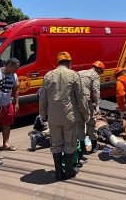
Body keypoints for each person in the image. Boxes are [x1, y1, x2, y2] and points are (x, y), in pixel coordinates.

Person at [39, 51, 90, 181]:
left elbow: (43, 98)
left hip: (53, 118)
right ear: (69, 62)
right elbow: (81, 98)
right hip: (69, 117)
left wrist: (42, 114)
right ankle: (68, 171)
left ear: (58, 63)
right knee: (70, 143)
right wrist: (86, 114)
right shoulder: (73, 75)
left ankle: (58, 173)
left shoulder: (48, 75)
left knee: (56, 144)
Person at [0, 58, 20, 151]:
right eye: (16, 67)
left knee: (7, 125)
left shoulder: (14, 75)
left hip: (7, 104)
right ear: (10, 65)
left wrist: (16, 102)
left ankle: (5, 144)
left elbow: (15, 90)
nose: (17, 70)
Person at [77, 61, 105, 155]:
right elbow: (96, 91)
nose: (100, 74)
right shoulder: (95, 75)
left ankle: (82, 148)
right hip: (85, 101)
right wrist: (97, 104)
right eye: (100, 72)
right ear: (98, 69)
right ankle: (94, 146)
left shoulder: (80, 72)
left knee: (80, 124)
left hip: (75, 102)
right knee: (91, 123)